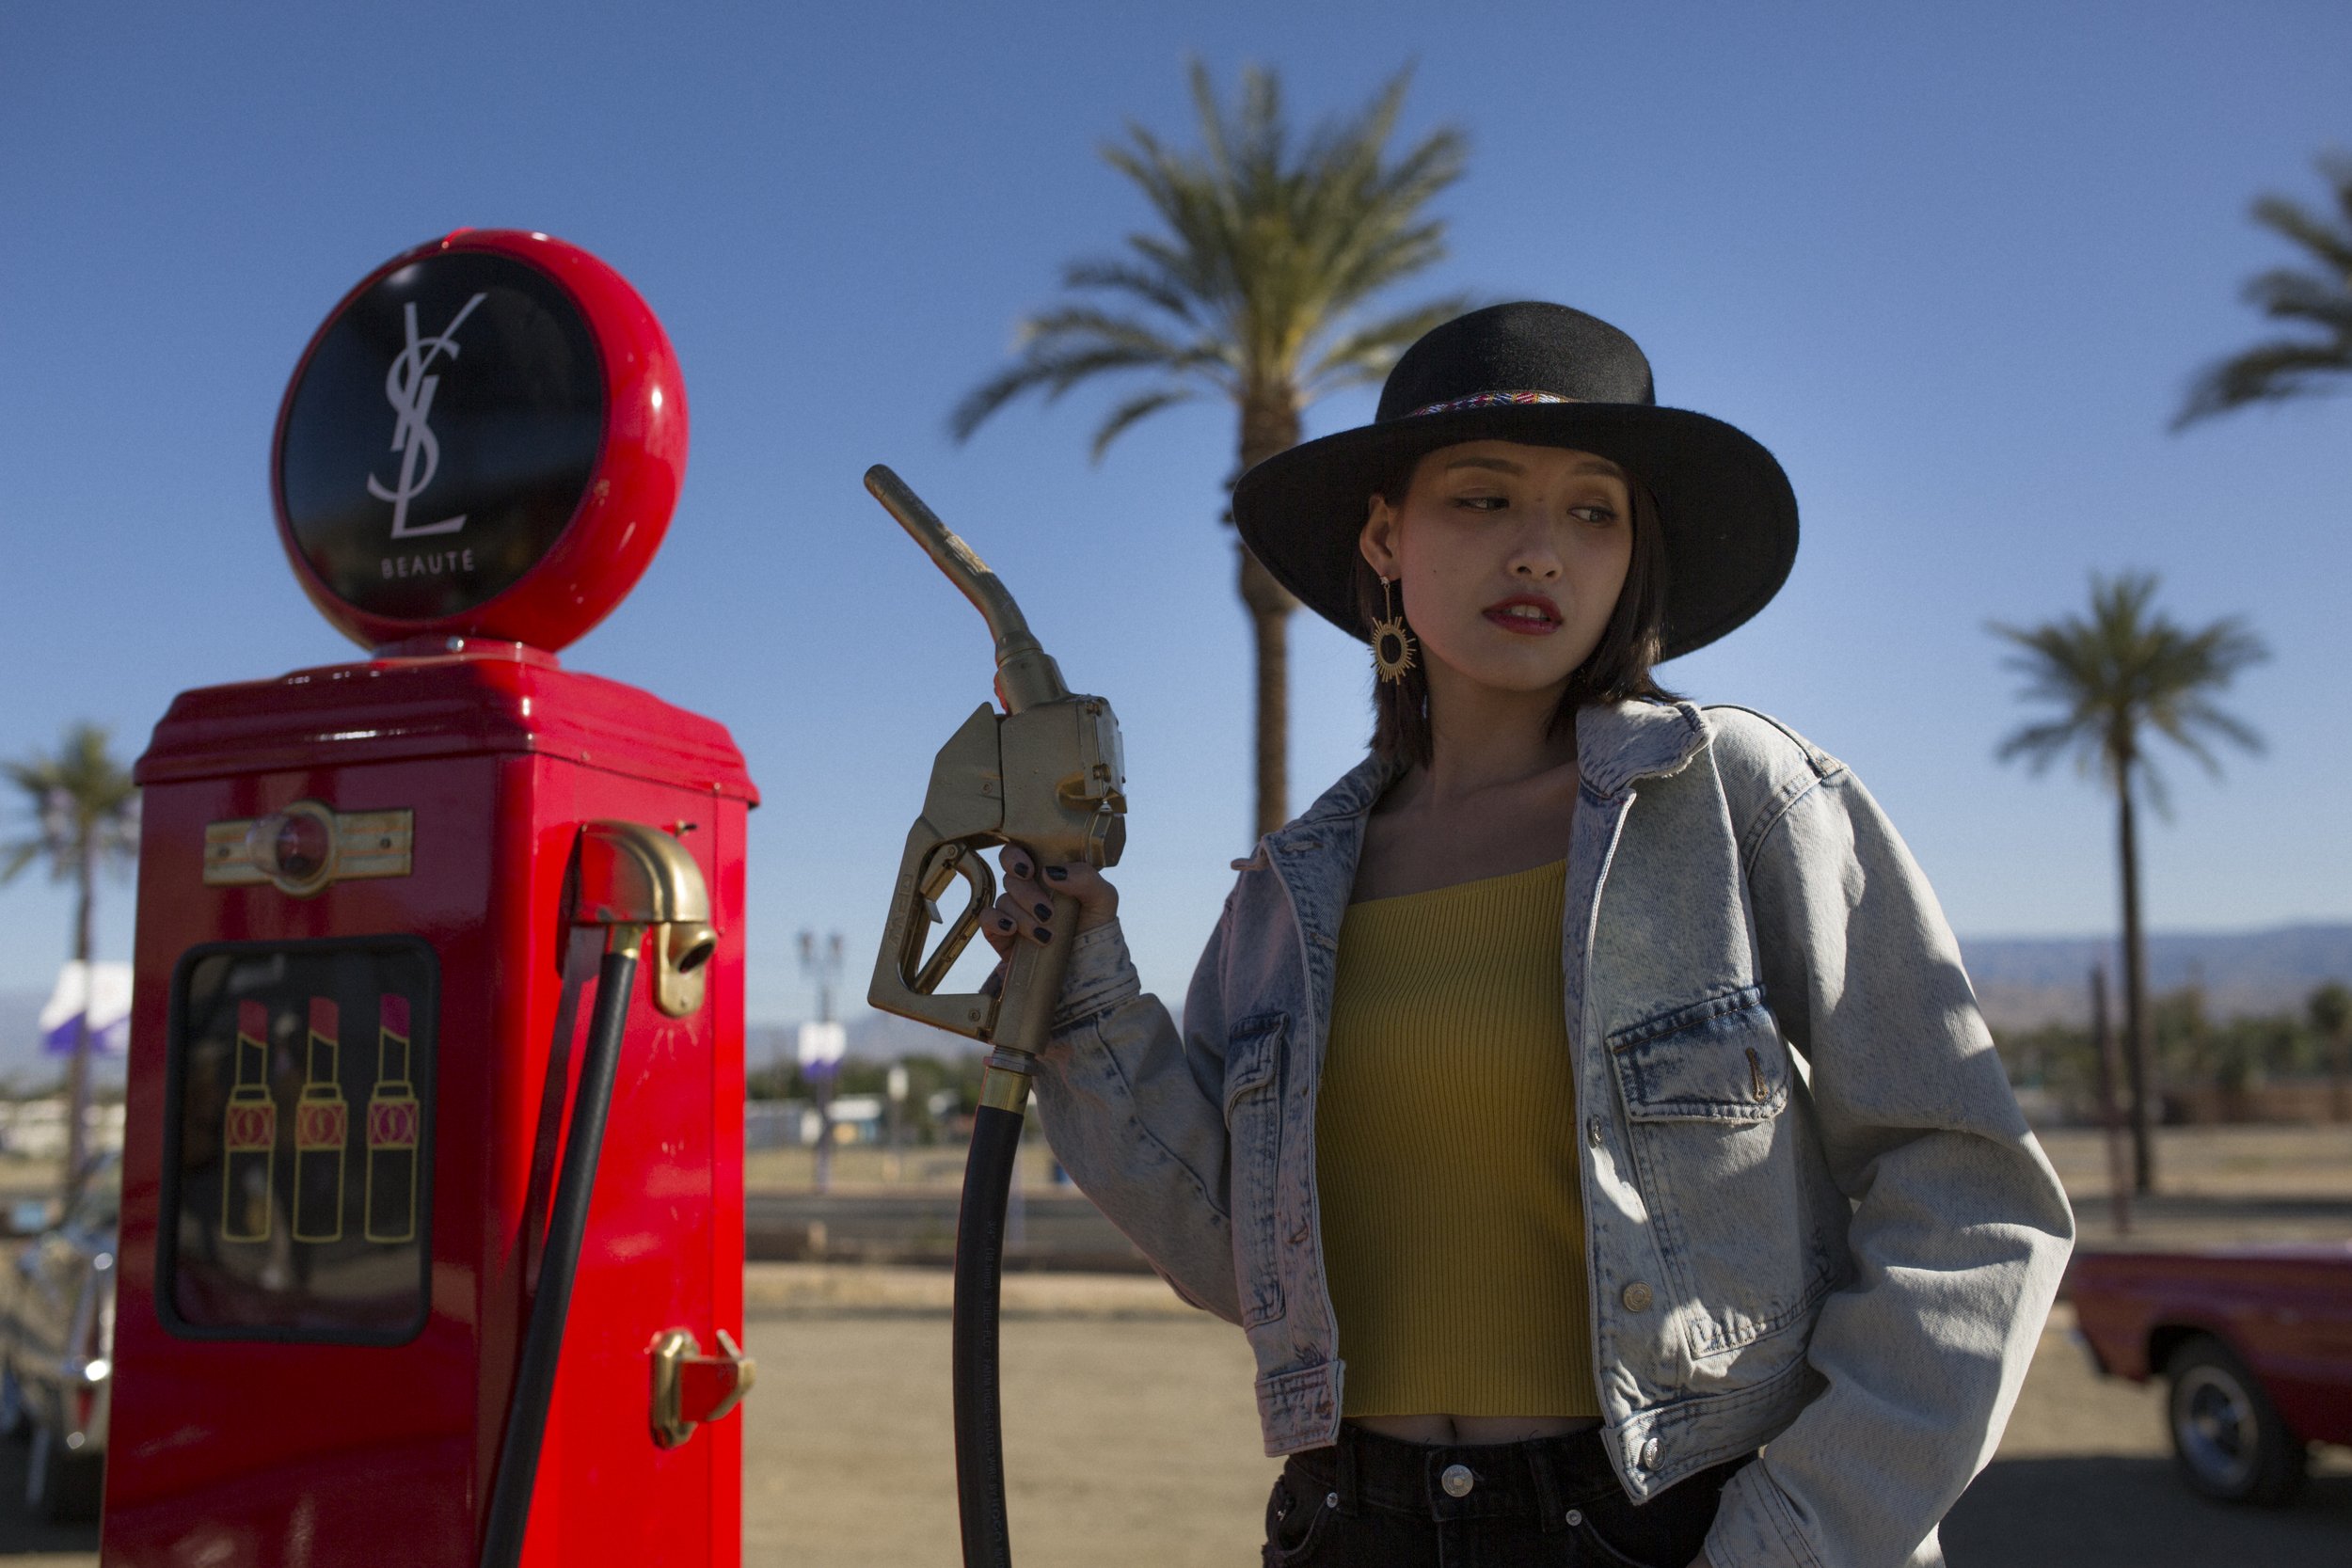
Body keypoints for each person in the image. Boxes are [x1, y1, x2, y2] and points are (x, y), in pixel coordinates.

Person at [978, 302, 2073, 1568]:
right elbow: (1241, 1260)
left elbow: (1970, 1197)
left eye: (1592, 511)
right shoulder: (1288, 891)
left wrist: (1789, 1541)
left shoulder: (1740, 800)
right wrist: (1082, 990)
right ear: (1385, 537)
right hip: (1351, 1529)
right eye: (1484, 499)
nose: (1542, 552)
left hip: (1676, 1526)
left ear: (1633, 550)